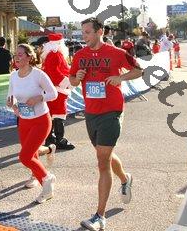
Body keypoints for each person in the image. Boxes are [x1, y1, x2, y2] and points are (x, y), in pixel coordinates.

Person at [69, 17, 143, 231]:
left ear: (99, 31)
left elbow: (139, 70)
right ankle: (125, 178)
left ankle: (99, 216)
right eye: (83, 32)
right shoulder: (80, 55)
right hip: (91, 112)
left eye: (88, 32)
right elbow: (72, 79)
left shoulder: (117, 53)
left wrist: (121, 78)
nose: (84, 36)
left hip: (111, 111)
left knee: (102, 162)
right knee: (105, 156)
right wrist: (77, 78)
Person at [6, 43, 58, 203]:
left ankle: (46, 180)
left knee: (24, 156)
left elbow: (53, 93)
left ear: (29, 57)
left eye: (20, 54)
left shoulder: (38, 75)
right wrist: (12, 105)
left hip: (41, 120)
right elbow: (10, 97)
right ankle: (36, 174)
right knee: (31, 153)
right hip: (24, 121)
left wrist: (39, 98)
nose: (17, 58)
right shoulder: (13, 76)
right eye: (15, 54)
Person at [41, 33, 75, 150]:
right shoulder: (55, 54)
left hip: (54, 89)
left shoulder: (51, 54)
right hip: (58, 90)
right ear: (59, 43)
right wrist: (68, 83)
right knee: (59, 113)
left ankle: (51, 138)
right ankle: (59, 140)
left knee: (53, 114)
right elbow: (54, 73)